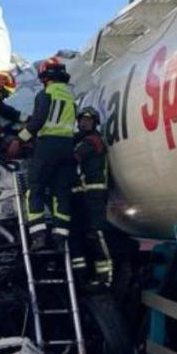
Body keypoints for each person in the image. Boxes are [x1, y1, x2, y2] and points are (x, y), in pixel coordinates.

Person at [16, 57, 76, 251]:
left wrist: (20, 140)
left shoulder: (45, 94)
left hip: (47, 145)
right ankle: (61, 237)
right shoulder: (69, 95)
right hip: (67, 147)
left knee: (35, 188)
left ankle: (39, 235)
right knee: (61, 192)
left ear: (44, 76)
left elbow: (38, 121)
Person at [71, 106, 113, 287]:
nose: (84, 122)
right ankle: (87, 275)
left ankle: (106, 276)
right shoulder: (83, 140)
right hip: (85, 193)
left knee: (96, 233)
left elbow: (74, 157)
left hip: (95, 193)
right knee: (85, 234)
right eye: (82, 119)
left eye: (88, 119)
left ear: (95, 122)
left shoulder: (91, 141)